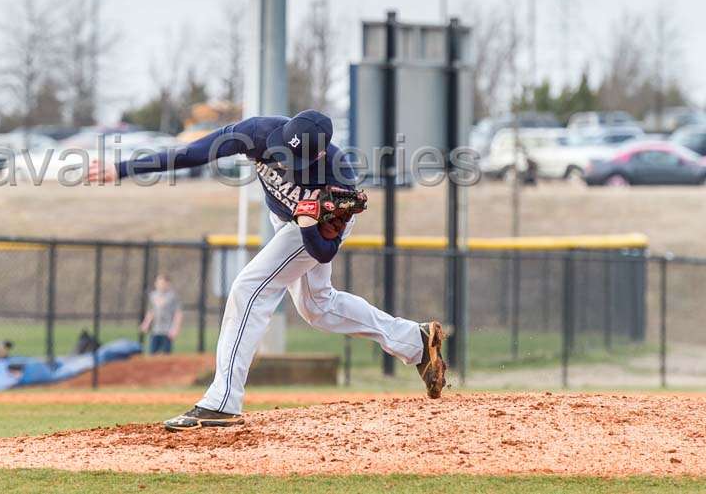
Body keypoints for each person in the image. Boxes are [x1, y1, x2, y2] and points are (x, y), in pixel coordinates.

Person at [87, 109, 447, 431]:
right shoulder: (258, 133)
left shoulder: (338, 178)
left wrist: (308, 225)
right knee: (317, 307)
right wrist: (122, 169)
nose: (286, 162)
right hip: (285, 220)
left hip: (314, 229)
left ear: (320, 154)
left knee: (249, 288)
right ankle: (413, 340)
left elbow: (322, 252)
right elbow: (193, 152)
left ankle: (222, 402)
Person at [140, 273, 183, 354]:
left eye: (163, 283)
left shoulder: (172, 297)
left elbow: (178, 314)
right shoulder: (153, 296)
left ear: (168, 284)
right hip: (155, 330)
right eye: (159, 283)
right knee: (152, 353)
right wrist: (146, 324)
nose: (161, 285)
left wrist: (175, 328)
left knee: (166, 354)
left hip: (167, 331)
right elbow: (151, 312)